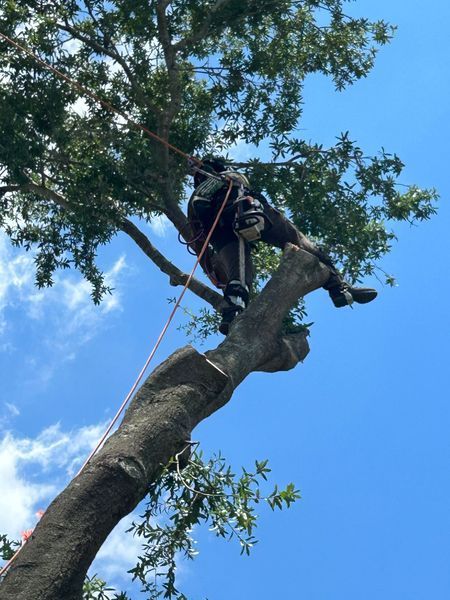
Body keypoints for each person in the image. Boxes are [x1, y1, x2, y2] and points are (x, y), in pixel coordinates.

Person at [187, 157, 377, 335]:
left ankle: (232, 314)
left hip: (222, 229)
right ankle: (339, 288)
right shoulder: (226, 177)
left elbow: (198, 228)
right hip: (244, 212)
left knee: (239, 271)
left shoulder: (198, 196)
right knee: (298, 241)